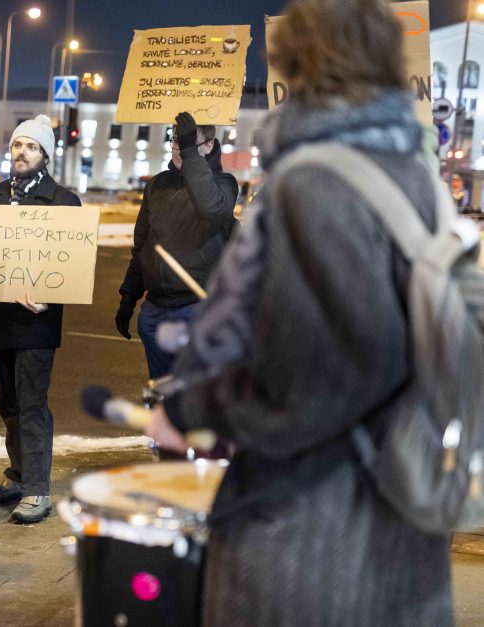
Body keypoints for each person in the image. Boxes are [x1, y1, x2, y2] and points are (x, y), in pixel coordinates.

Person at [146, 0, 454, 623]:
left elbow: (309, 372)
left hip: (314, 533)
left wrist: (192, 409)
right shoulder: (413, 177)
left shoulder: (315, 183)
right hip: (401, 516)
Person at [0, 114, 81, 524]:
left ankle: (38, 491)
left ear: (46, 155)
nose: (22, 152)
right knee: (9, 405)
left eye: (32, 147)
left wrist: (50, 300)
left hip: (37, 323)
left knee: (33, 405)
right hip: (0, 318)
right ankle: (18, 477)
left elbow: (71, 264)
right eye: (18, 145)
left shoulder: (63, 201)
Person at [115, 115, 237, 379]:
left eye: (187, 142)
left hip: (196, 311)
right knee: (162, 395)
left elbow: (211, 207)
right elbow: (142, 248)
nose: (179, 148)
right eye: (175, 140)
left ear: (208, 146)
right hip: (155, 311)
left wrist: (189, 150)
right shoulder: (157, 186)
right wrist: (128, 299)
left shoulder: (224, 184)